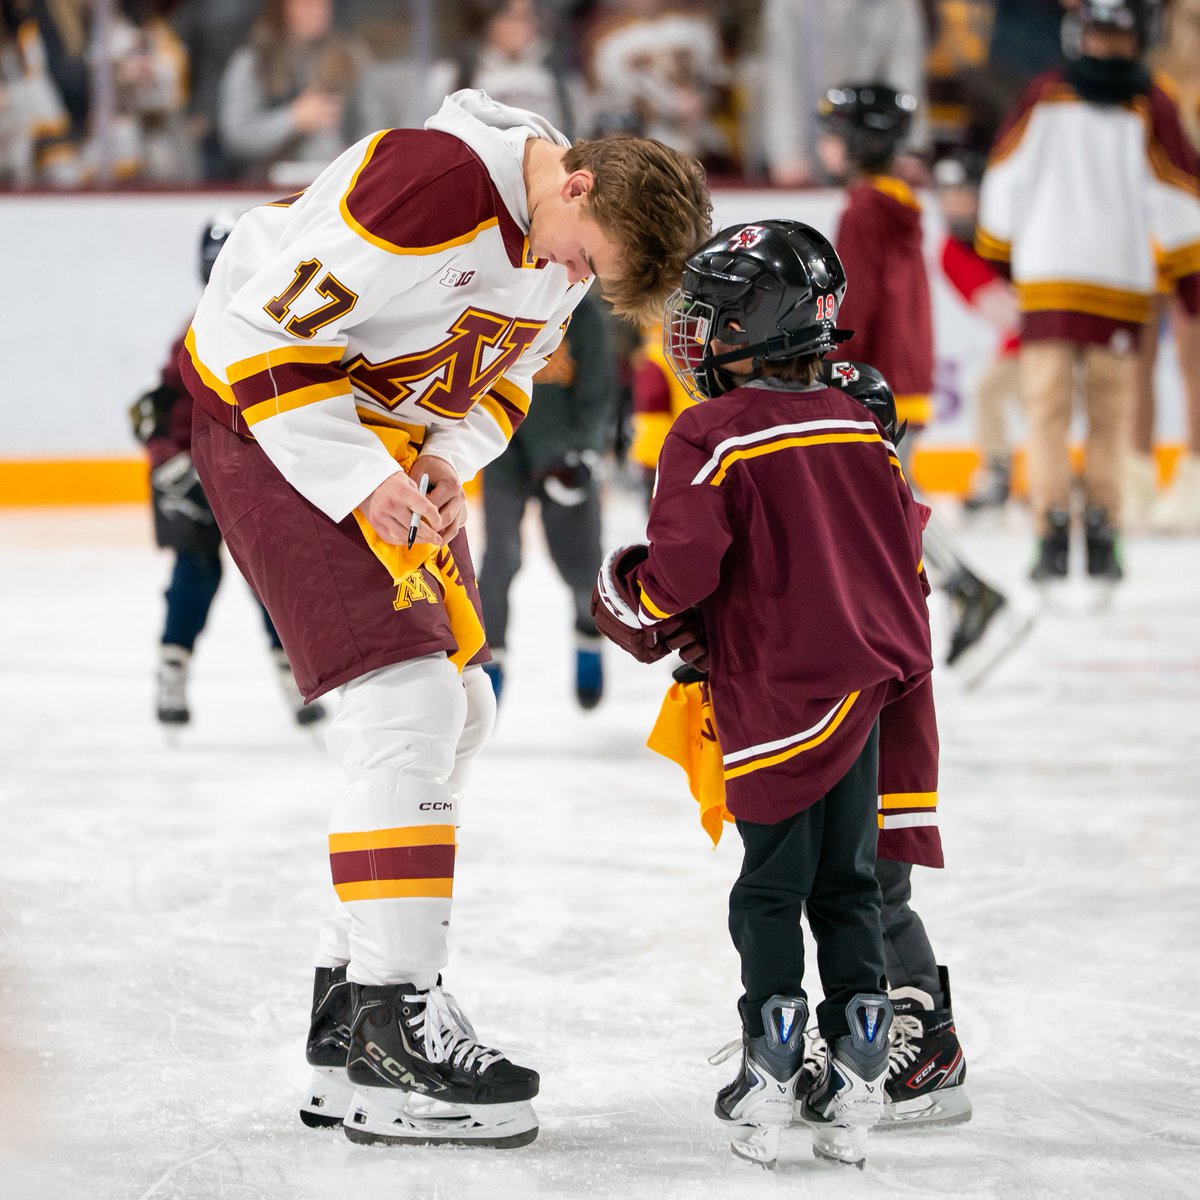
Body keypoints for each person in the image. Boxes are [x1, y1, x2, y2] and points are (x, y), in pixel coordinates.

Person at [179, 88, 712, 1148]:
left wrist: (441, 460)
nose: (570, 281)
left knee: (462, 706)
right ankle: (392, 1020)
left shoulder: (563, 238)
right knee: (408, 702)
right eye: (582, 258)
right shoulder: (428, 184)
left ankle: (352, 1014)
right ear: (577, 182)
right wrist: (358, 478)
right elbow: (258, 341)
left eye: (589, 281)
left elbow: (503, 389)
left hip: (375, 440)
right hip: (265, 414)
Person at [592, 220, 940, 1168]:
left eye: (713, 316)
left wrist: (633, 597)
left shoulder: (709, 431)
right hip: (863, 694)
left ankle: (772, 1064)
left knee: (768, 890)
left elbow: (685, 574)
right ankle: (860, 1063)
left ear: (765, 322)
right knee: (850, 885)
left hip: (777, 696)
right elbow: (897, 561)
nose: (694, 335)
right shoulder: (862, 424)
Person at [977, 0, 1200, 584]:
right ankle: (1096, 524)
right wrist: (1189, 276)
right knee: (1100, 414)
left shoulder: (1047, 92)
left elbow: (1003, 173)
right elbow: (1182, 194)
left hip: (1051, 278)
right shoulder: (1151, 102)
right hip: (1118, 283)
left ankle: (1058, 526)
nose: (1104, 48)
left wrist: (1000, 254)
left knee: (1053, 412)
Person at [819, 80, 1030, 680]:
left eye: (833, 137)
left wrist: (832, 368)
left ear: (859, 143)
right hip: (900, 376)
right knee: (887, 501)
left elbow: (850, 305)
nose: (825, 148)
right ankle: (959, 591)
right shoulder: (900, 201)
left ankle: (964, 590)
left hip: (875, 381)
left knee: (885, 506)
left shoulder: (865, 208)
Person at [130, 213, 323, 729]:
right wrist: (166, 463)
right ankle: (176, 670)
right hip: (199, 476)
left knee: (267, 580)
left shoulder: (275, 329)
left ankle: (294, 676)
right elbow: (156, 408)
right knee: (196, 573)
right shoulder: (193, 335)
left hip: (246, 477)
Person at [477, 289, 618, 710]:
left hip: (564, 456)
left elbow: (598, 386)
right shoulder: (504, 299)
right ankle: (490, 666)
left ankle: (588, 638)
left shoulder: (584, 312)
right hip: (504, 449)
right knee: (498, 560)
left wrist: (583, 449)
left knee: (580, 565)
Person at [933, 147, 1022, 512]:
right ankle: (1001, 474)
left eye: (963, 195)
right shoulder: (951, 252)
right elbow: (1008, 314)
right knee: (992, 391)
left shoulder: (1010, 230)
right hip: (1028, 337)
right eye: (948, 196)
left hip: (1055, 329)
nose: (955, 205)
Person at [216, 0, 388, 184]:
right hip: (269, 187)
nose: (318, 11)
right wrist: (293, 118)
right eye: (307, 4)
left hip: (339, 183)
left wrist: (353, 154)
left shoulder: (350, 55)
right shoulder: (255, 59)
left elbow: (375, 122)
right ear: (282, 8)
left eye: (323, 3)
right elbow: (236, 136)